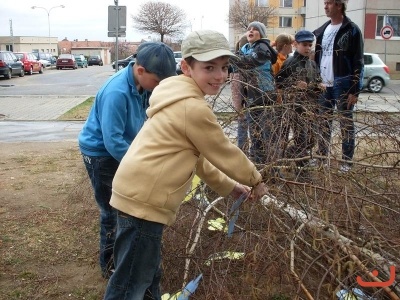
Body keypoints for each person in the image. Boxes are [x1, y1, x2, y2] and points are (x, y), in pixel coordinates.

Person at [103, 30, 268, 300]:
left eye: (225, 67)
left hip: (136, 194)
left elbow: (201, 160)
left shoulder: (177, 96)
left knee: (146, 275)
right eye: (209, 67)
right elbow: (223, 151)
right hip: (143, 202)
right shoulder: (192, 108)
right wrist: (255, 180)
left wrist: (230, 187)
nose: (219, 75)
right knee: (129, 284)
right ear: (186, 67)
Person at [78, 42, 176, 279]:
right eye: (158, 81)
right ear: (140, 70)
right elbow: (113, 141)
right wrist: (143, 165)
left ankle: (124, 258)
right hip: (101, 154)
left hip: (123, 149)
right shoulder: (117, 92)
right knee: (112, 211)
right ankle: (110, 266)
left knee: (124, 209)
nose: (160, 87)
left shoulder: (144, 86)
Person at [313, 0, 364, 172]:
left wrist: (355, 89)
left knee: (345, 124)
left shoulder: (352, 30)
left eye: (329, 3)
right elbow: (316, 59)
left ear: (339, 5)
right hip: (323, 85)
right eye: (325, 3)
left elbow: (358, 62)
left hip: (342, 84)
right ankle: (321, 158)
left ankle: (346, 162)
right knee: (323, 123)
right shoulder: (322, 30)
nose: (325, 6)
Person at [275, 30, 325, 181]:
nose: (308, 48)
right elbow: (278, 82)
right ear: (296, 44)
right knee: (301, 139)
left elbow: (316, 81)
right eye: (304, 45)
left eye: (310, 45)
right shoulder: (289, 63)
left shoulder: (312, 64)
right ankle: (301, 172)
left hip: (311, 108)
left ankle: (290, 156)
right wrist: (294, 84)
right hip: (295, 108)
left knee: (311, 139)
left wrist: (319, 86)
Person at [233, 21, 279, 167]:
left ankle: (267, 163)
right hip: (252, 95)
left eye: (255, 29)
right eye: (249, 29)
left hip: (263, 94)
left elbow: (249, 62)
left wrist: (232, 59)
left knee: (264, 131)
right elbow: (235, 61)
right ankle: (259, 161)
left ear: (262, 34)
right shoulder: (248, 47)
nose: (251, 31)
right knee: (255, 131)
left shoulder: (262, 47)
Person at [230, 34, 249, 152]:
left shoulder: (239, 59)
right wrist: (238, 107)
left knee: (242, 123)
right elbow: (236, 86)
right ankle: (242, 149)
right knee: (243, 122)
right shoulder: (240, 61)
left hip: (245, 97)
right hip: (245, 98)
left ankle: (243, 149)